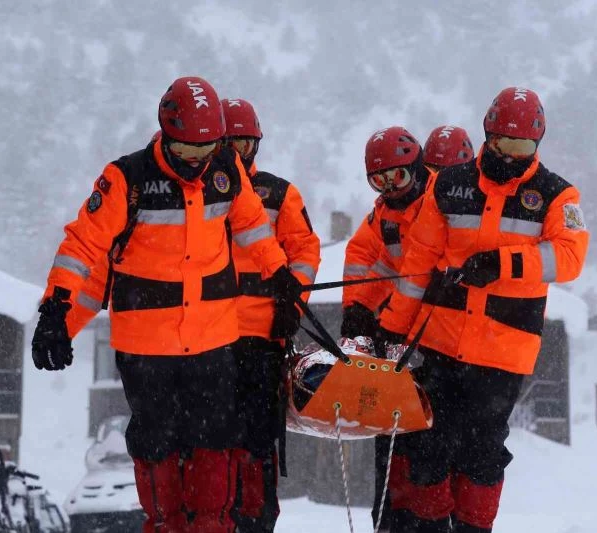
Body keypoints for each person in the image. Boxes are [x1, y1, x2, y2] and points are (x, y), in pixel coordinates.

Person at [31, 76, 301, 533]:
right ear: (164, 132)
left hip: (214, 339)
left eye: (207, 149)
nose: (197, 163)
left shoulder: (226, 170)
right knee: (158, 444)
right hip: (146, 348)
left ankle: (213, 526)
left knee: (216, 440)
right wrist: (56, 312)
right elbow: (82, 246)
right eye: (187, 152)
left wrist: (280, 275)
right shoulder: (127, 180)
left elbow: (254, 224)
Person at [375, 87, 589, 533]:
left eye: (523, 147)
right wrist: (392, 328)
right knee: (428, 445)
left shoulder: (558, 195)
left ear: (538, 144)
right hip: (440, 342)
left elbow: (569, 259)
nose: (512, 156)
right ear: (486, 135)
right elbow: (416, 266)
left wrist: (505, 263)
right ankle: (430, 526)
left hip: (503, 353)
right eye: (503, 144)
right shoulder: (448, 185)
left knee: (483, 453)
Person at [223, 98, 321, 533]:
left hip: (262, 340)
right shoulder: (198, 193)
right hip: (206, 339)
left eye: (245, 143)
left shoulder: (280, 193)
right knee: (210, 442)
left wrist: (291, 303)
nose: (237, 153)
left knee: (259, 442)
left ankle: (257, 520)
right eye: (229, 143)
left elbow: (305, 251)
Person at [340, 126, 433, 532]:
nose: (390, 187)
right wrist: (357, 308)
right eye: (379, 180)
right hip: (394, 341)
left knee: (426, 450)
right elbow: (368, 261)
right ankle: (387, 521)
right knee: (391, 444)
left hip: (434, 340)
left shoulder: (440, 204)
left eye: (398, 176)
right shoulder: (382, 216)